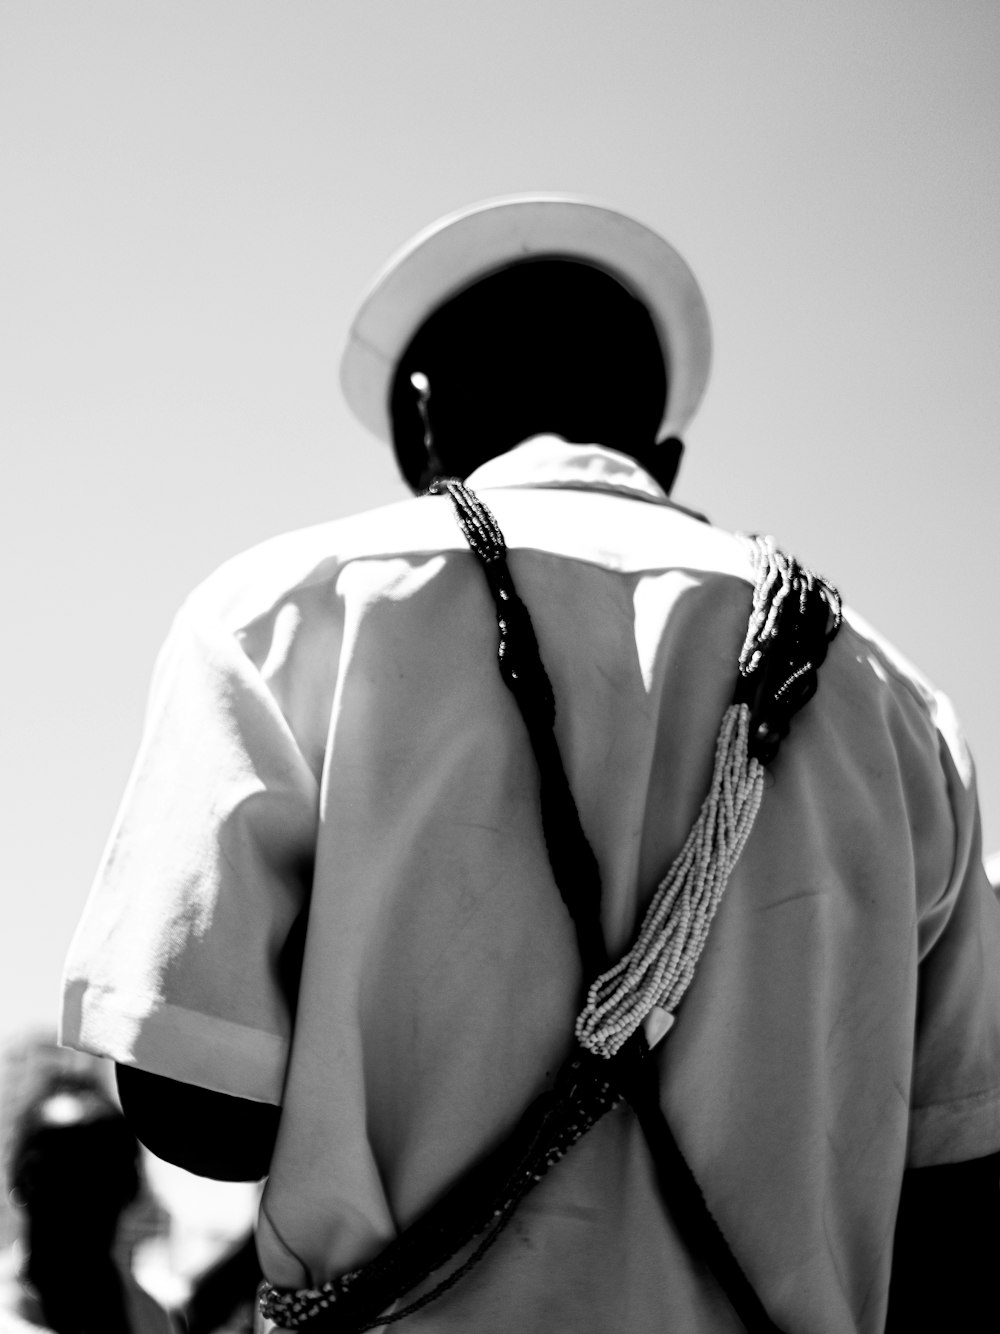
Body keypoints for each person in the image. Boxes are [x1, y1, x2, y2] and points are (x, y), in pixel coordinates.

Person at [60, 195, 1000, 1332]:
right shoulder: (896, 708)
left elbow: (196, 1107)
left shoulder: (282, 614)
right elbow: (959, 1184)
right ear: (663, 454)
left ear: (420, 426)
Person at [0, 1073, 173, 1334]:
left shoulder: (152, 1319)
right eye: (55, 1175)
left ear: (130, 1189)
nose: (75, 1202)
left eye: (98, 1177)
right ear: (21, 1182)